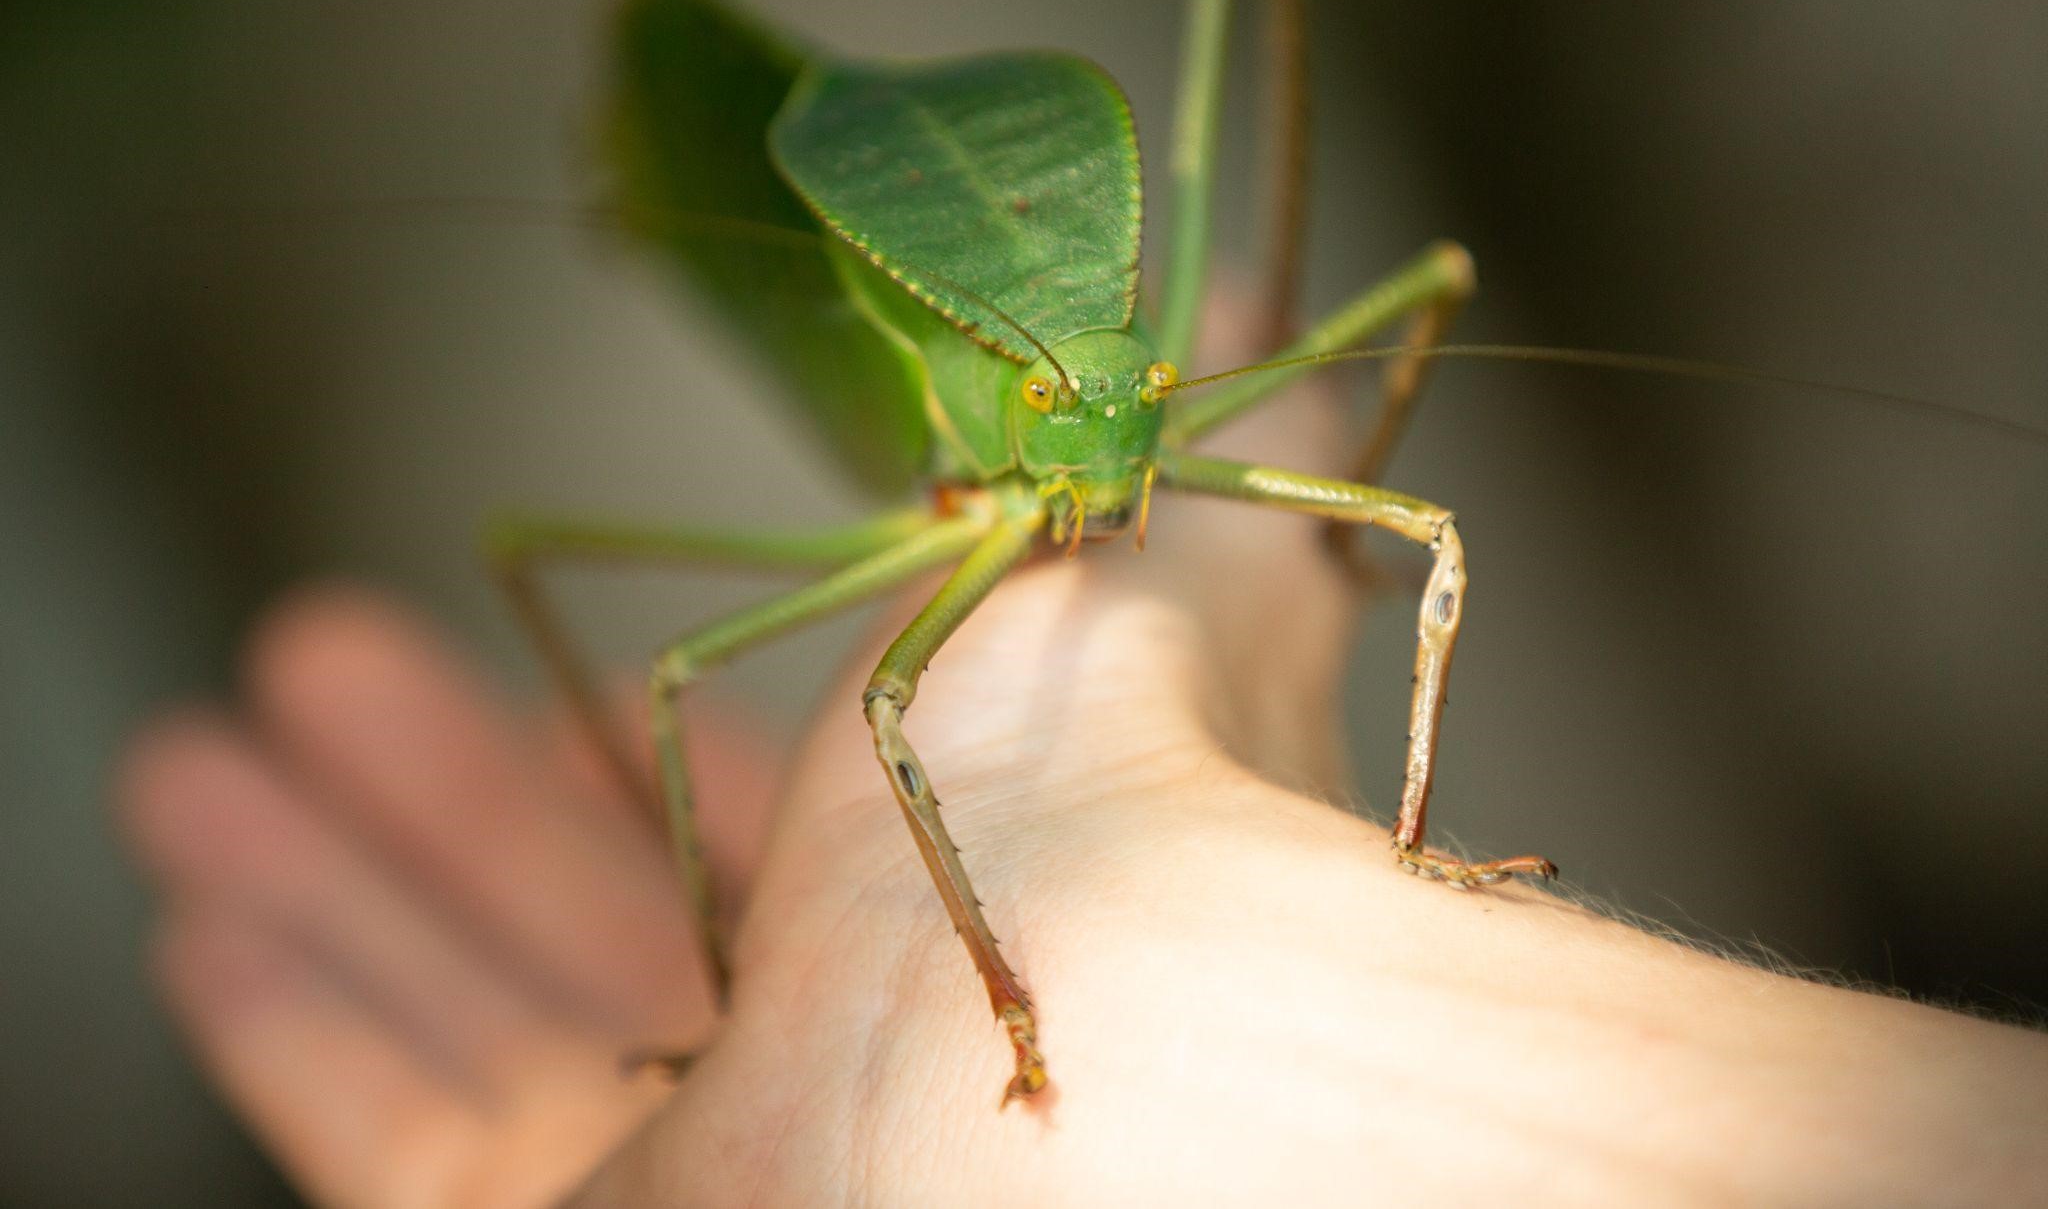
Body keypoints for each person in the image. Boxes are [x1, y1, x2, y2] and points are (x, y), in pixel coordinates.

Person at [117, 380, 2048, 1207]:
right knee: (651, 619)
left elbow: (1424, 441)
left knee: (1414, 470)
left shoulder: (1153, 436)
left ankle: (1401, 843)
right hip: (957, 454)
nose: (1138, 479)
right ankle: (725, 988)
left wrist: (1402, 930)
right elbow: (872, 697)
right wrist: (976, 1014)